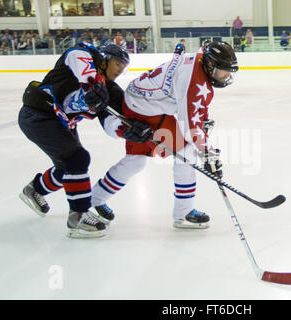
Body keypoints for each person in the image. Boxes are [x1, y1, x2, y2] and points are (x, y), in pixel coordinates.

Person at [90, 41, 238, 229]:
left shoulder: (198, 62)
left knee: (136, 161)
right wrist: (207, 152)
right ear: (210, 65)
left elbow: (196, 108)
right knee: (187, 152)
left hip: (141, 102)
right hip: (145, 108)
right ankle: (183, 213)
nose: (226, 75)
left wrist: (203, 127)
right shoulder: (193, 79)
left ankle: (95, 198)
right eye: (223, 70)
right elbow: (189, 125)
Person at [18, 43, 153, 238]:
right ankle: (78, 216)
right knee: (77, 159)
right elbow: (76, 53)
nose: (120, 70)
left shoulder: (111, 91)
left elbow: (111, 122)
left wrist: (127, 130)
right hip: (38, 114)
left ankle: (33, 190)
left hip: (61, 123)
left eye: (124, 67)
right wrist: (92, 82)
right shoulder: (84, 56)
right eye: (118, 63)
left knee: (67, 168)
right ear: (104, 59)